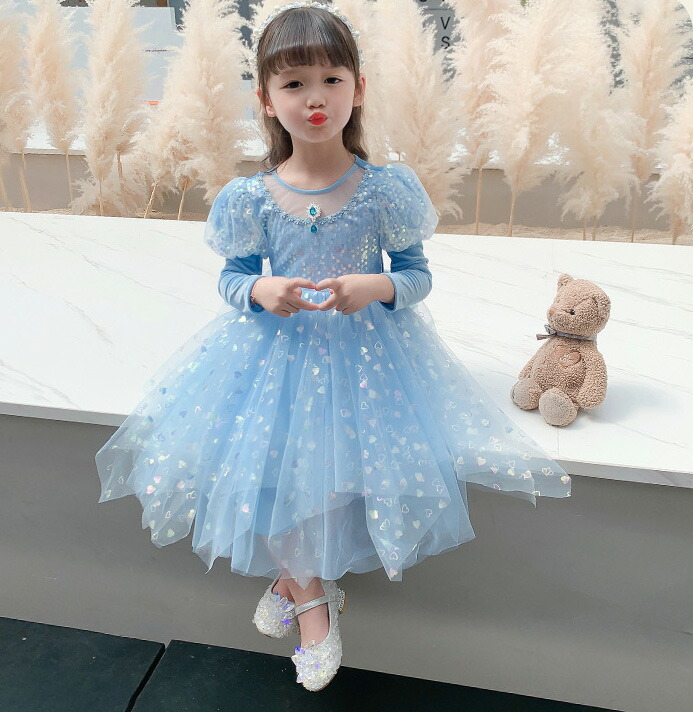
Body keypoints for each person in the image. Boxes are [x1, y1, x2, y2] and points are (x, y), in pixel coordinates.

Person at [95, 0, 572, 693]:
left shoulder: (384, 190)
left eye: (330, 80)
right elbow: (231, 278)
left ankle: (295, 590)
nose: (314, 99)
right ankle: (312, 602)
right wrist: (260, 291)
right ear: (266, 100)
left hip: (367, 357)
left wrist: (376, 285)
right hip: (272, 357)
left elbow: (416, 275)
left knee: (326, 478)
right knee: (264, 472)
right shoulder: (251, 196)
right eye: (293, 84)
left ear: (358, 88)